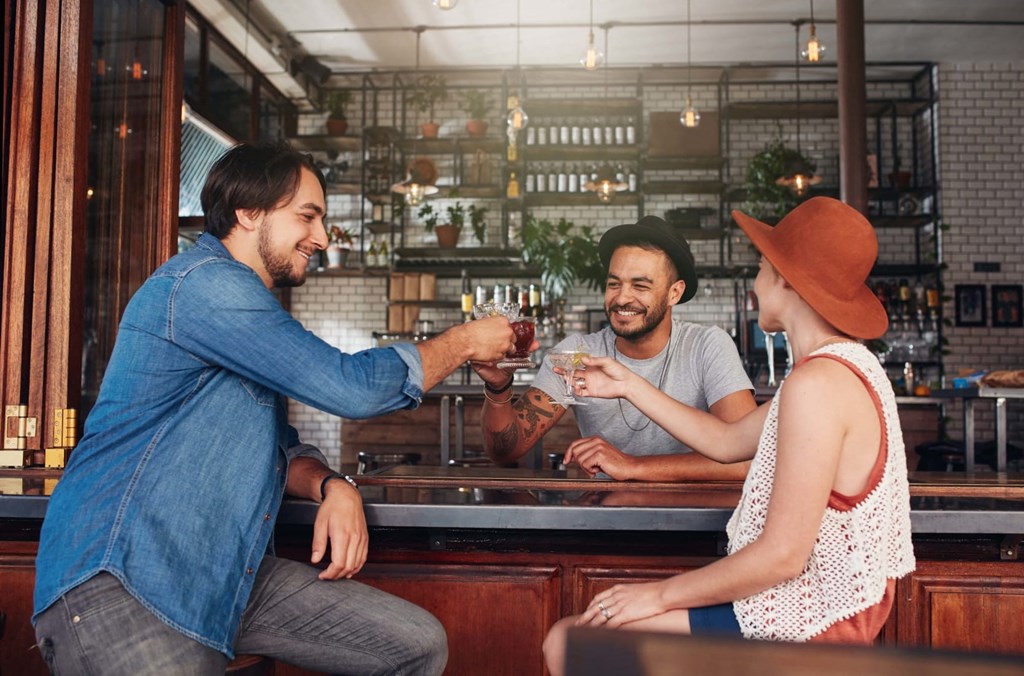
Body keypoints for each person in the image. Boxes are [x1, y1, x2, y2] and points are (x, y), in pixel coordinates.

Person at [33, 142, 517, 675]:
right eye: (307, 217)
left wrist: (333, 485)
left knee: (413, 643)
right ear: (248, 212)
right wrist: (466, 341)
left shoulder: (244, 304)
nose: (323, 238)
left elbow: (278, 449)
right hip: (128, 579)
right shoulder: (204, 286)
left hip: (223, 574)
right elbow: (349, 387)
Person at [542, 197, 917, 675]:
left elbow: (782, 556)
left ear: (785, 278)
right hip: (816, 611)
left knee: (568, 644)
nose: (756, 284)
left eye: (761, 267)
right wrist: (626, 383)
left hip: (809, 624)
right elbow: (726, 442)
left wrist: (654, 594)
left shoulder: (816, 385)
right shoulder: (841, 369)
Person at [474, 215, 756, 481]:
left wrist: (633, 466)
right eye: (614, 283)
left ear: (675, 293)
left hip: (696, 525)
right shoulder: (577, 354)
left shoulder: (707, 346)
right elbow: (505, 452)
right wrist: (499, 388)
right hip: (606, 520)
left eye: (640, 285)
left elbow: (747, 460)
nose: (622, 298)